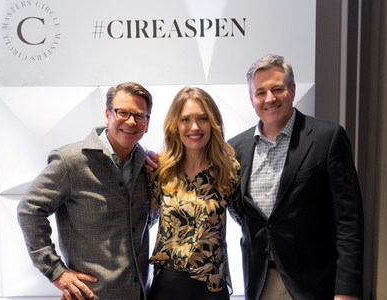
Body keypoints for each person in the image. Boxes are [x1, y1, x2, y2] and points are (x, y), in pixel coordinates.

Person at [227, 54, 364, 300]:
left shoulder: (327, 138)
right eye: (260, 92)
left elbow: (349, 222)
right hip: (260, 282)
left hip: (315, 283)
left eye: (277, 88)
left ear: (292, 89)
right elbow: (241, 214)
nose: (269, 98)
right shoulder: (236, 149)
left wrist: (347, 290)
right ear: (251, 99)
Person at [17, 82, 157, 300]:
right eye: (123, 112)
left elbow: (142, 221)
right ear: (107, 114)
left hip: (140, 293)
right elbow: (29, 209)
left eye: (139, 116)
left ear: (147, 123)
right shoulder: (71, 162)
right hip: (92, 295)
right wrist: (55, 272)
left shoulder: (146, 164)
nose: (131, 121)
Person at [147, 87, 240, 300]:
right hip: (167, 286)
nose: (194, 127)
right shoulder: (160, 170)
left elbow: (248, 221)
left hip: (211, 287)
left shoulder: (229, 170)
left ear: (213, 123)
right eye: (186, 119)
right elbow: (141, 222)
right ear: (175, 125)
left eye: (203, 118)